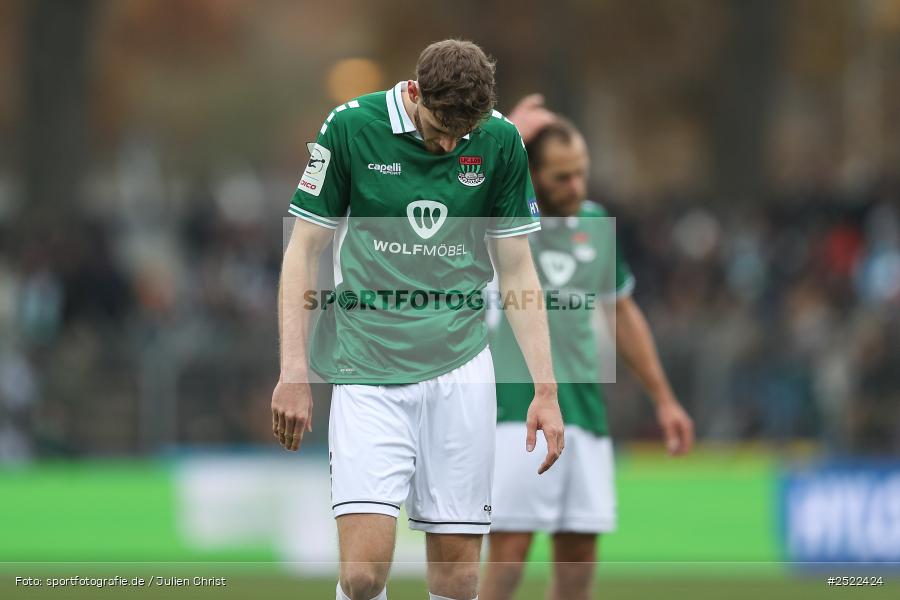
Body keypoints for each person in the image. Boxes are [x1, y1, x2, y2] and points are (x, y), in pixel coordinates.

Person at [272, 42, 565, 600]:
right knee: (361, 578)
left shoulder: (500, 140)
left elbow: (519, 270)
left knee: (457, 581)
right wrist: (293, 371)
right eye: (439, 129)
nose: (451, 144)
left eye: (463, 133)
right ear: (414, 92)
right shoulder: (352, 127)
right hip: (367, 372)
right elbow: (303, 250)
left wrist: (545, 389)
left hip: (461, 374)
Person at [480, 98, 695, 600]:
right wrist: (506, 131)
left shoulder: (596, 224)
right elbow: (463, 177)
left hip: (584, 413)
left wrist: (664, 399)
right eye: (561, 177)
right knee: (509, 549)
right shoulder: (501, 216)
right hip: (516, 411)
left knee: (579, 555)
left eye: (581, 174)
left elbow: (621, 312)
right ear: (531, 175)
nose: (576, 187)